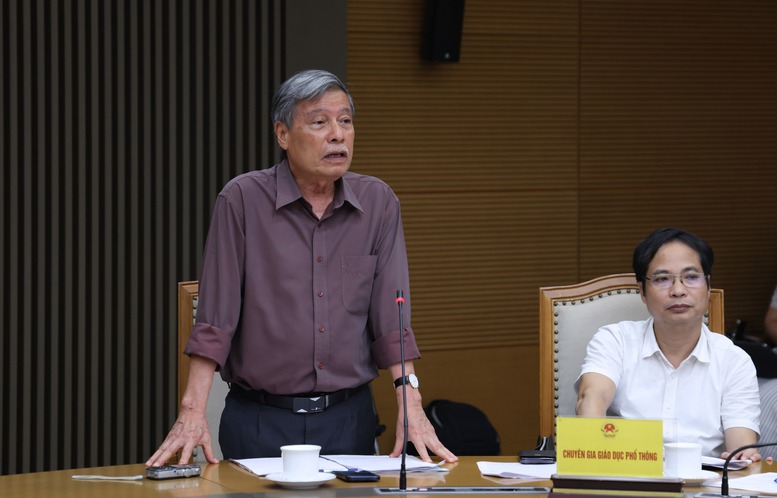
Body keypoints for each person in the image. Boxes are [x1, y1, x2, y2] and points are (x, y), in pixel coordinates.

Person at [146, 69, 458, 467]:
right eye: (319, 122)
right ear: (283, 134)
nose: (338, 135)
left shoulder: (378, 203)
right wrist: (192, 411)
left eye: (345, 121)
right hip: (259, 420)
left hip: (349, 420)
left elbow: (391, 321)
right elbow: (215, 321)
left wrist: (410, 403)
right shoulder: (242, 200)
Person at [575, 227, 762, 460]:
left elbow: (740, 448)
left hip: (704, 479)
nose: (678, 291)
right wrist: (592, 453)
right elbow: (592, 397)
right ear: (642, 292)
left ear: (708, 286)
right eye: (662, 279)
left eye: (691, 277)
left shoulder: (734, 361)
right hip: (628, 472)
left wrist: (745, 457)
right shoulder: (615, 341)